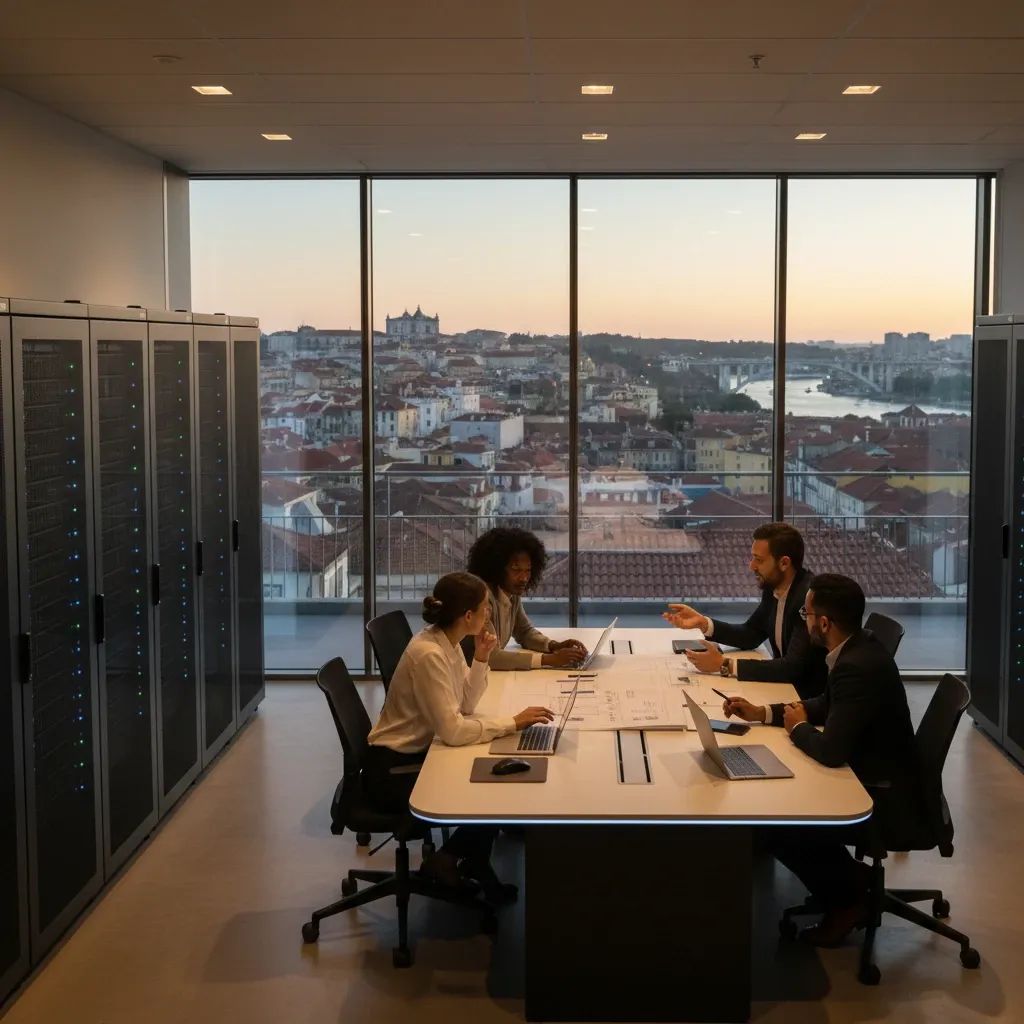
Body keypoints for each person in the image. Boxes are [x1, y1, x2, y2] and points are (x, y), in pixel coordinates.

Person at [722, 573, 923, 946]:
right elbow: (826, 705)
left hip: (885, 792)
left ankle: (846, 901)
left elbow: (831, 752)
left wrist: (797, 730)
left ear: (824, 623)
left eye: (806, 613)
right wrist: (763, 712)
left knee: (777, 823)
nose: (804, 618)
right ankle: (848, 880)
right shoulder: (855, 648)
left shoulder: (855, 666)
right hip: (880, 769)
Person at [365, 571, 554, 903]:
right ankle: (449, 860)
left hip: (419, 752)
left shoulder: (447, 642)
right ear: (468, 616)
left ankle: (467, 861)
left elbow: (465, 704)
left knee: (495, 775)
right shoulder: (430, 654)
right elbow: (453, 731)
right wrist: (512, 723)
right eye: (485, 609)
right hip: (394, 769)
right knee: (489, 789)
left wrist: (481, 657)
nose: (490, 615)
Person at [662, 522, 827, 699]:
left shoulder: (808, 600)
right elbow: (751, 634)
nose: (751, 566)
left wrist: (724, 664)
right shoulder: (775, 589)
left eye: (759, 560)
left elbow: (792, 668)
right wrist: (703, 623)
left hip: (808, 703)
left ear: (784, 563)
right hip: (784, 692)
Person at [465, 526, 588, 670]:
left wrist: (554, 646)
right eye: (516, 570)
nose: (524, 578)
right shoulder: (482, 599)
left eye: (528, 570)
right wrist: (550, 660)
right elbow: (491, 656)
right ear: (496, 568)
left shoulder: (511, 593)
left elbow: (524, 632)